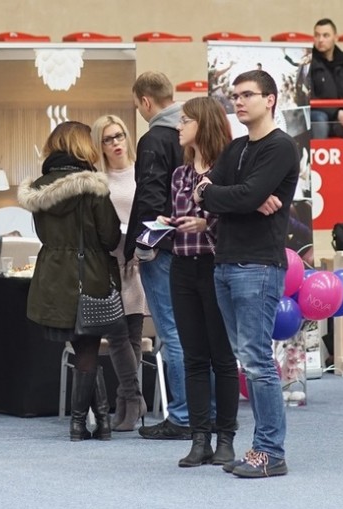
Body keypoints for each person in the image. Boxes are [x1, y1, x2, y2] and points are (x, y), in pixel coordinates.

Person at [195, 70, 300, 478]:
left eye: (247, 95)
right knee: (247, 359)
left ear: (270, 99)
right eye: (235, 96)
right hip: (225, 263)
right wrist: (235, 197)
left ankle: (270, 452)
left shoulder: (281, 147)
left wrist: (237, 197)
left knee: (257, 361)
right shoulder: (236, 147)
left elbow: (242, 194)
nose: (238, 102)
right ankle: (261, 447)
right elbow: (201, 192)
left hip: (258, 266)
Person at [19, 121, 127, 441]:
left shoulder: (39, 188)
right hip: (88, 274)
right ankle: (80, 423)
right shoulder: (93, 186)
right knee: (88, 345)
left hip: (53, 276)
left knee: (81, 347)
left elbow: (43, 234)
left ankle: (102, 422)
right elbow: (109, 236)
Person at [159, 97, 239, 468]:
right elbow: (181, 217)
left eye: (185, 121)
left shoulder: (227, 170)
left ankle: (226, 437)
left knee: (222, 357)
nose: (178, 127)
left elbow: (237, 221)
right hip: (182, 266)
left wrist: (206, 224)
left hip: (215, 267)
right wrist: (166, 224)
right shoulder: (180, 174)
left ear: (202, 124)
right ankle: (199, 438)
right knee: (193, 356)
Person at [125, 71, 191, 440]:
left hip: (163, 249)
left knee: (172, 333)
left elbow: (151, 198)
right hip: (193, 246)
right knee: (193, 333)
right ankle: (205, 411)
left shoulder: (154, 140)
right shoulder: (192, 133)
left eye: (138, 105)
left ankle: (181, 415)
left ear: (146, 102)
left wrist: (144, 246)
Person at [90, 115, 149, 431]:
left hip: (137, 262)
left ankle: (127, 401)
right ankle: (132, 398)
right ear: (99, 145)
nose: (115, 143)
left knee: (133, 337)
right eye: (108, 139)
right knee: (117, 337)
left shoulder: (141, 174)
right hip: (110, 265)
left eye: (119, 136)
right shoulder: (99, 180)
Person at [310, 18, 343, 140]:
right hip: (321, 113)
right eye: (317, 35)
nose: (320, 40)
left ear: (336, 38)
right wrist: (337, 113)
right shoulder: (307, 61)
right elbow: (308, 97)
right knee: (319, 120)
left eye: (325, 35)